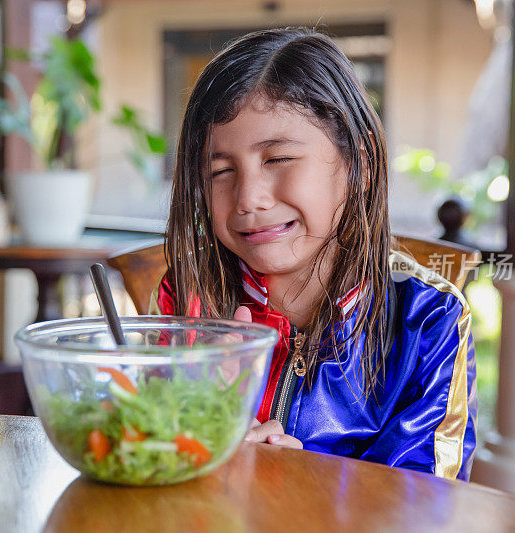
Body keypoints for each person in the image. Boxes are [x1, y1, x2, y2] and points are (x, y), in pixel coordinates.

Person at [152, 27, 476, 481]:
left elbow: (424, 500)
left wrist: (306, 479)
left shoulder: (426, 318)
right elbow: (142, 451)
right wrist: (196, 425)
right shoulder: (188, 297)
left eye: (278, 159)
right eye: (220, 171)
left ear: (358, 164)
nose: (248, 198)